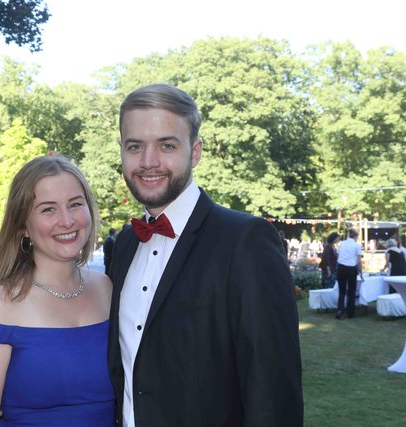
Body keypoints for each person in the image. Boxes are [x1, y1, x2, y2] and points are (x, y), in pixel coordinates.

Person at [107, 83, 303, 426]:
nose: (148, 162)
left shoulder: (245, 241)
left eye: (167, 145)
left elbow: (273, 391)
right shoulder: (124, 245)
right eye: (135, 146)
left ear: (195, 152)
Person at [0, 155, 114, 426]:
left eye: (75, 204)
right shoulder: (0, 304)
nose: (67, 221)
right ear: (23, 227)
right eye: (48, 209)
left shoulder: (107, 288)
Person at [335, 228, 364, 319]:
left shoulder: (342, 244)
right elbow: (358, 261)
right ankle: (350, 312)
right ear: (356, 236)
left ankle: (340, 310)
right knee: (351, 291)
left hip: (341, 267)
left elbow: (338, 255)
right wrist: (361, 273)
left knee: (342, 290)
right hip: (351, 268)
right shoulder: (356, 245)